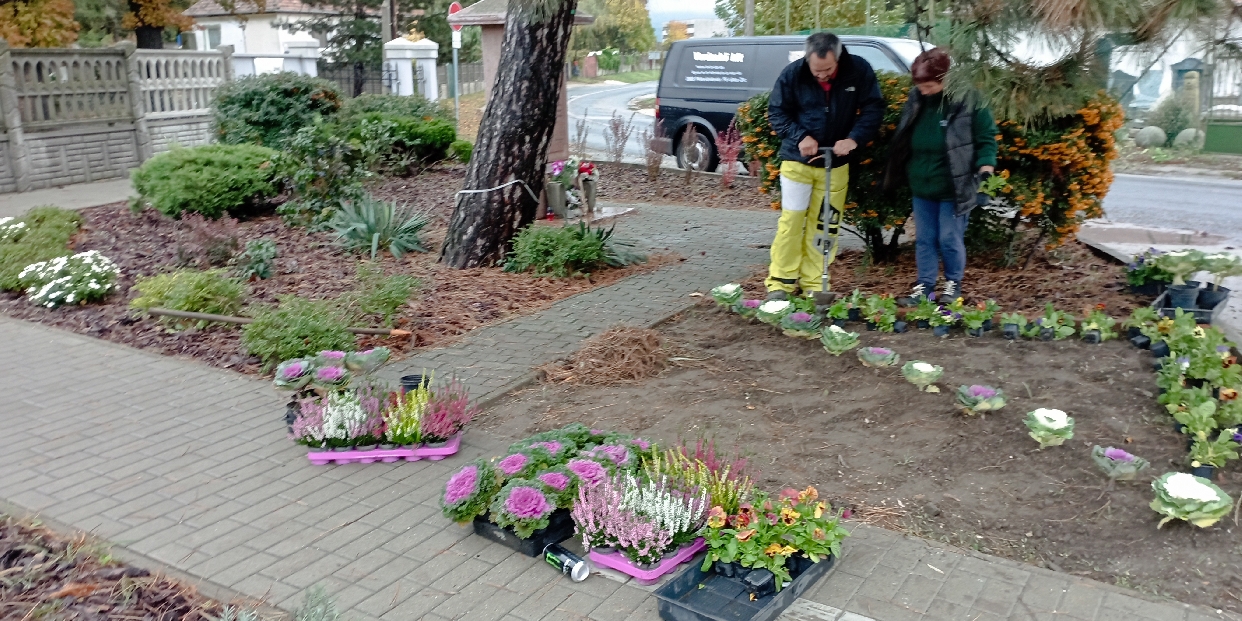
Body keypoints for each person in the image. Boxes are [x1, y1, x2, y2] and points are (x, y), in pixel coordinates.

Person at [764, 32, 884, 301]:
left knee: (825, 225)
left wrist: (854, 139)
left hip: (836, 165)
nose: (821, 75)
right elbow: (777, 113)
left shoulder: (858, 70)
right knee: (792, 222)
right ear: (807, 59)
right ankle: (780, 284)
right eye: (816, 69)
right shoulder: (793, 74)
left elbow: (873, 108)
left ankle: (814, 283)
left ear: (838, 58)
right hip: (798, 163)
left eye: (827, 69)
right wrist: (800, 136)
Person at [885, 48, 997, 304]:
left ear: (945, 79)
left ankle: (952, 284)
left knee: (949, 237)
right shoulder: (917, 99)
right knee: (924, 239)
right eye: (920, 86)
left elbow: (986, 138)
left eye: (928, 85)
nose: (923, 90)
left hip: (955, 185)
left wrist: (986, 171)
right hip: (922, 185)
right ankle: (925, 286)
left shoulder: (969, 100)